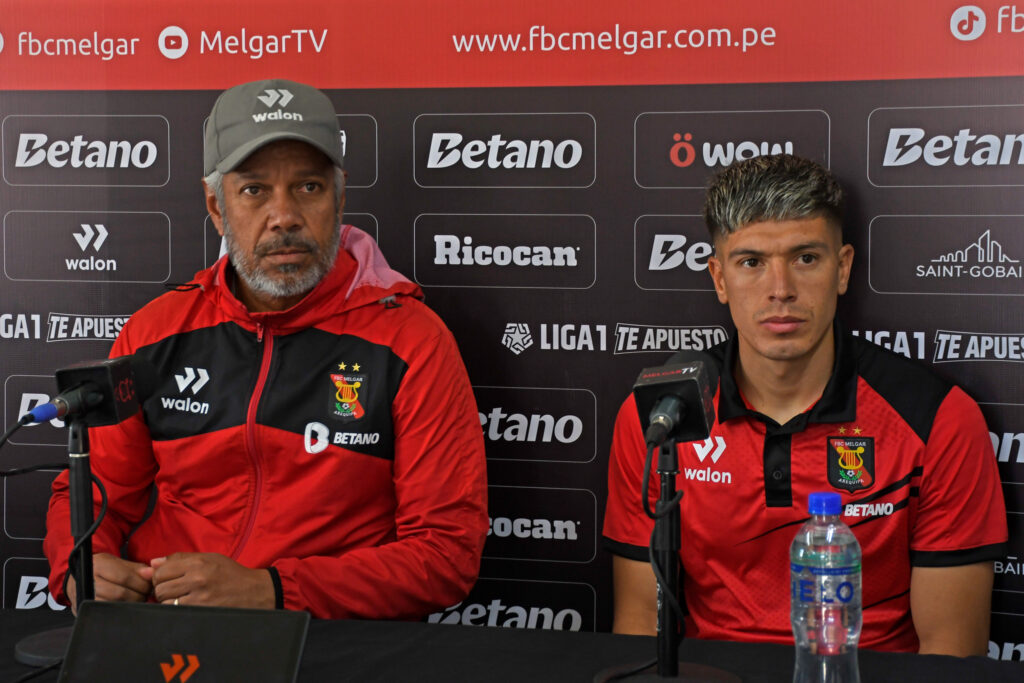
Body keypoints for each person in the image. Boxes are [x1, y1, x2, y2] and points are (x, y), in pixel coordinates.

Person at [43, 79, 488, 620]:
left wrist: (275, 591)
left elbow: (445, 555)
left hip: (329, 647)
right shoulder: (156, 332)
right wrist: (81, 564)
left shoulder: (412, 341)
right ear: (216, 205)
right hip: (168, 631)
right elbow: (90, 493)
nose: (285, 216)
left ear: (340, 197)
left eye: (308, 188)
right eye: (254, 190)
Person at [603, 154, 1007, 655]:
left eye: (806, 259)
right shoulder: (663, 414)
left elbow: (952, 651)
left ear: (842, 269)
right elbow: (641, 620)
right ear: (719, 279)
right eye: (751, 263)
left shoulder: (937, 418)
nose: (781, 291)